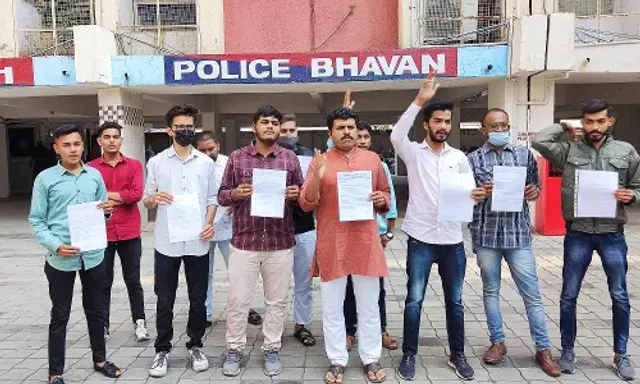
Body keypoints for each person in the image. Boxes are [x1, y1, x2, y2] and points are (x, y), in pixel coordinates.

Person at [532, 99, 640, 381]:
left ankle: (621, 353)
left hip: (612, 233)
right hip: (578, 232)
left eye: (600, 121)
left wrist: (632, 196)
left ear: (610, 122)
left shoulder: (625, 151)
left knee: (619, 295)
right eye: (589, 121)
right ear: (583, 122)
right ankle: (567, 350)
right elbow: (540, 141)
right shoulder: (568, 150)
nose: (594, 127)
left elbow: (638, 187)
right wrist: (563, 126)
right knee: (569, 295)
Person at [390, 73, 486, 381]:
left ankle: (458, 355)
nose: (443, 125)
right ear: (426, 124)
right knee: (414, 299)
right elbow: (395, 136)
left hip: (452, 240)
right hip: (420, 238)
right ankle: (409, 354)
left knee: (455, 302)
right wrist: (420, 100)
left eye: (447, 121)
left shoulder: (459, 157)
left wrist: (477, 195)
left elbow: (469, 193)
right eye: (437, 121)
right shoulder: (414, 154)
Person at [466, 109, 561, 376]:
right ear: (483, 130)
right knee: (490, 291)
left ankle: (543, 348)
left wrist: (534, 192)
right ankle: (498, 343)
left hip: (518, 235)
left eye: (504, 125)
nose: (500, 130)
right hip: (486, 234)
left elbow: (535, 187)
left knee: (531, 294)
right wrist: (478, 193)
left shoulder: (524, 155)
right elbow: (465, 195)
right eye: (494, 126)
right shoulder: (472, 160)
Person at [300, 107, 391, 384]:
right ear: (331, 133)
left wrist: (380, 199)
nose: (347, 132)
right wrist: (318, 175)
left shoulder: (372, 159)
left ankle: (370, 357)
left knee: (369, 306)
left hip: (365, 243)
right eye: (341, 128)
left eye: (351, 127)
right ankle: (337, 359)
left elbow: (386, 195)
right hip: (332, 243)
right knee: (332, 307)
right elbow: (306, 202)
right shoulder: (320, 161)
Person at [29, 124, 122, 384]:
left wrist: (106, 212)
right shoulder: (45, 179)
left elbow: (104, 212)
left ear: (84, 145)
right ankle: (55, 372)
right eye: (67, 145)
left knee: (95, 310)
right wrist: (56, 246)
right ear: (56, 148)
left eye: (77, 144)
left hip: (93, 256)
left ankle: (100, 359)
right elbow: (36, 220)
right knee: (60, 315)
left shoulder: (94, 176)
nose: (73, 149)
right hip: (61, 259)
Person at [218, 105, 303, 378]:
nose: (270, 127)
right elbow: (220, 195)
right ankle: (234, 349)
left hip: (280, 242)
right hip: (245, 242)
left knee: (277, 301)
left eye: (274, 123)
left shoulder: (290, 159)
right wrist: (235, 193)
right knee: (238, 300)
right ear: (254, 127)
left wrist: (295, 194)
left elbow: (301, 198)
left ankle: (271, 348)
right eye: (264, 122)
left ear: (279, 128)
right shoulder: (237, 158)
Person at [144, 104, 217, 378]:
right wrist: (155, 199)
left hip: (197, 241)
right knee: (165, 299)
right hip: (167, 242)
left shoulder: (206, 162)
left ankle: (195, 344)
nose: (185, 131)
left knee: (198, 299)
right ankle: (161, 350)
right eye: (180, 126)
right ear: (169, 129)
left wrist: (209, 224)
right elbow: (147, 197)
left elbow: (212, 198)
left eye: (189, 126)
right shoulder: (157, 162)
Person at [87, 121, 149, 343]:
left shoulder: (134, 165)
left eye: (115, 136)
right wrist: (119, 195)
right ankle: (102, 325)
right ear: (99, 140)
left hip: (129, 231)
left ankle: (139, 322)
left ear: (121, 140)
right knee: (103, 281)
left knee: (133, 280)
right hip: (101, 232)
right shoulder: (91, 168)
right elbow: (89, 197)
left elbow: (135, 195)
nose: (112, 140)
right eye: (107, 137)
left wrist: (105, 195)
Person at [195, 131, 263, 327]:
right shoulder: (194, 166)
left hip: (229, 226)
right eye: (203, 150)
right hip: (203, 227)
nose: (207, 153)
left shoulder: (229, 162)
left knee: (238, 272)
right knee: (203, 273)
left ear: (218, 145)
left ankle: (245, 309)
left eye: (211, 149)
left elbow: (242, 189)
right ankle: (204, 313)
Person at [342, 119, 399, 352]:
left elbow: (390, 200)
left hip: (374, 236)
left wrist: (389, 233)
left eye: (367, 137)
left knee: (377, 286)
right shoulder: (345, 164)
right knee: (347, 286)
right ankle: (349, 330)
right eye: (359, 136)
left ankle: (381, 329)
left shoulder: (379, 165)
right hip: (347, 235)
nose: (363, 141)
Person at [277, 113, 318, 347]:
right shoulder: (268, 157)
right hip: (276, 229)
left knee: (304, 281)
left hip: (304, 227)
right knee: (278, 284)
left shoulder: (309, 156)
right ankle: (276, 328)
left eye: (292, 131)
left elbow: (317, 188)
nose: (289, 135)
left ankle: (302, 325)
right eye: (284, 131)